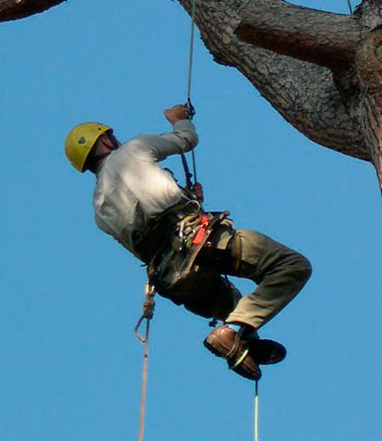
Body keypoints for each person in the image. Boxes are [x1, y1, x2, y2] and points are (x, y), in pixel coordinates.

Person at [64, 103, 311, 381]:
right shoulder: (131, 150)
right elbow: (186, 140)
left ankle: (244, 343)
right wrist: (179, 120)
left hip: (175, 276)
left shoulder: (99, 209)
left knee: (231, 301)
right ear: (106, 140)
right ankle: (233, 332)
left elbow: (146, 234)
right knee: (292, 266)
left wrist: (189, 200)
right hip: (199, 241)